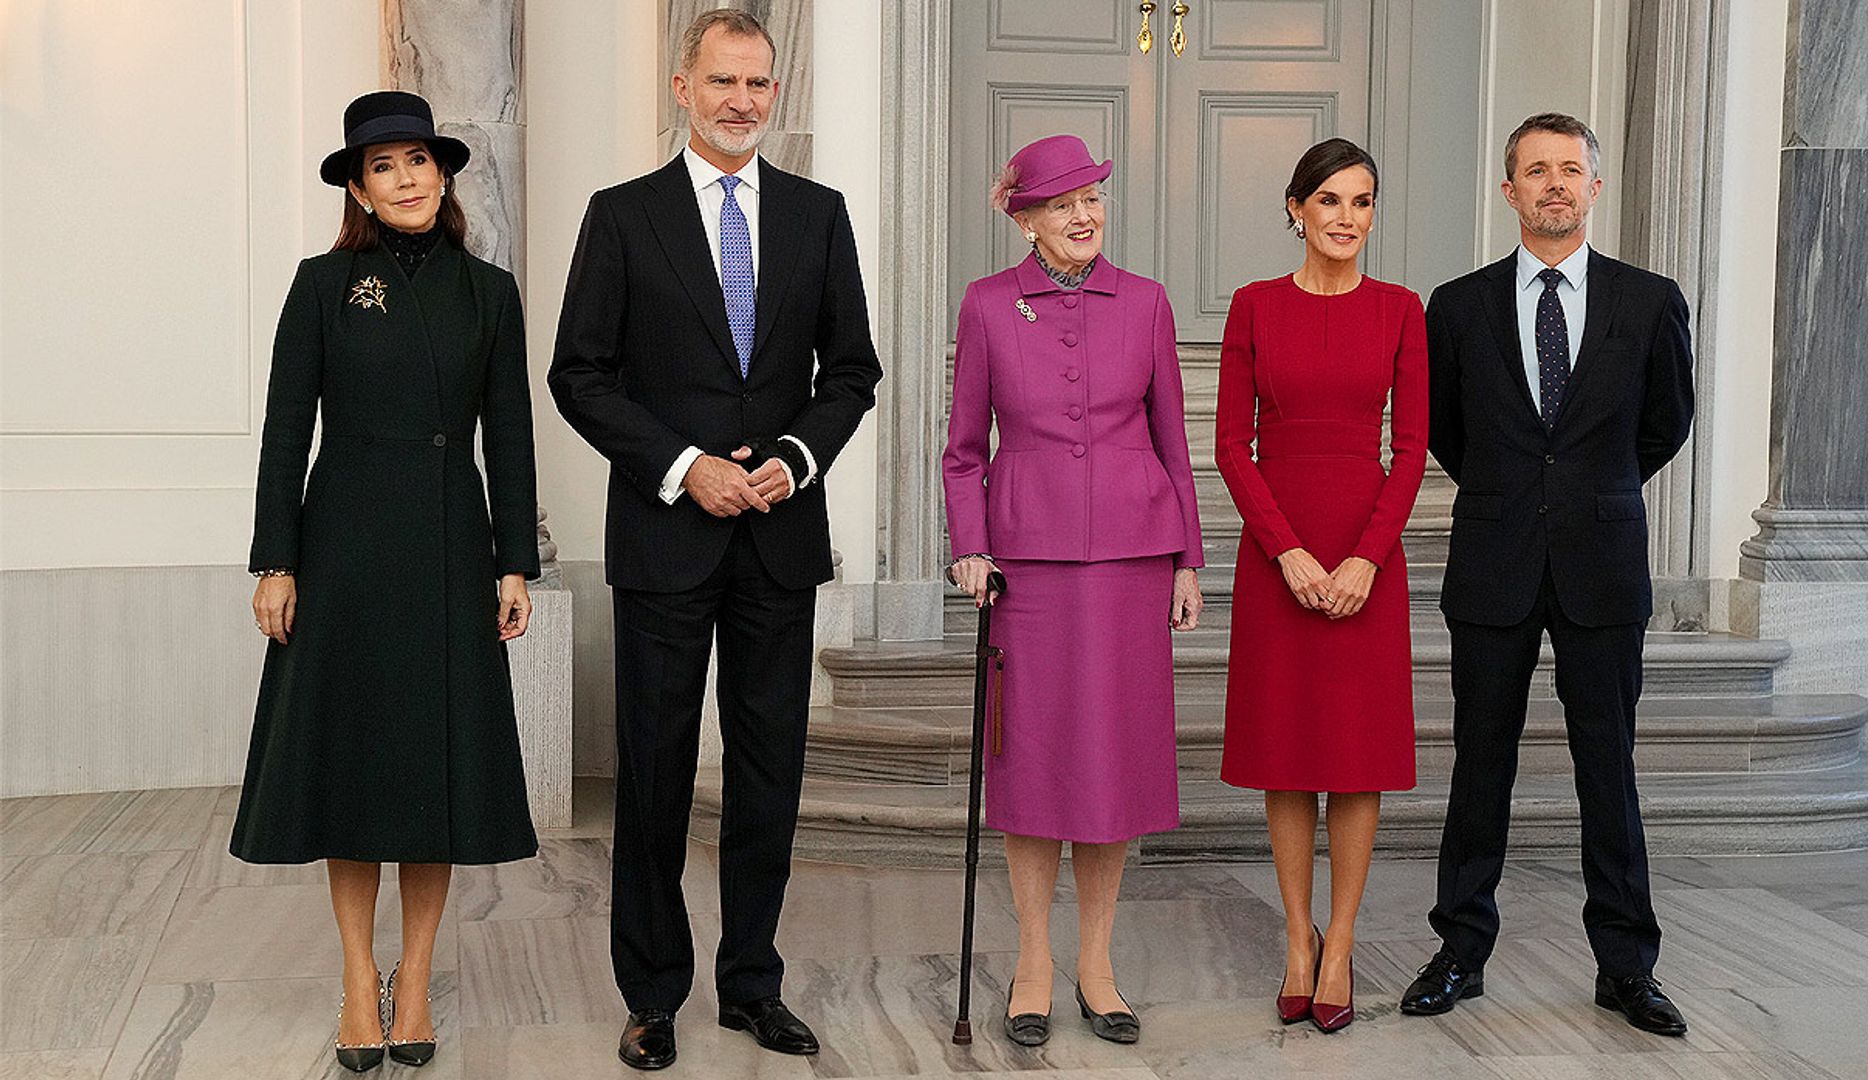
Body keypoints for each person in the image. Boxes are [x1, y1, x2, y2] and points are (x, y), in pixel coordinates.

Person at [547, 9, 883, 1071]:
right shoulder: (622, 216)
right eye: (724, 81)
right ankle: (651, 995)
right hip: (665, 537)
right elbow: (579, 374)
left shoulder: (818, 216)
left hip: (780, 540)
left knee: (770, 770)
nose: (744, 100)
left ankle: (752, 985)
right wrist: (687, 468)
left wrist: (796, 452)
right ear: (681, 89)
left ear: (775, 95)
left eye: (760, 84)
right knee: (652, 772)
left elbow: (853, 372)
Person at [233, 90, 539, 1072]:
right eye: (384, 166)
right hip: (347, 544)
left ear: (441, 173)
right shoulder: (324, 284)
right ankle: (357, 976)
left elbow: (514, 437)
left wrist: (513, 561)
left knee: (433, 768)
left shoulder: (489, 291)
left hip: (452, 539)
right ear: (359, 188)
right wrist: (277, 558)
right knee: (355, 764)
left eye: (419, 161)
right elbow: (287, 429)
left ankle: (414, 979)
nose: (407, 179)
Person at [1401, 112, 1694, 1037]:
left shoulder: (1650, 301)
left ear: (1595, 187)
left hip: (1602, 564)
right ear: (1509, 190)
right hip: (1494, 560)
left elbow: (1666, 423)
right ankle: (1460, 950)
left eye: (1571, 169)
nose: (1554, 183)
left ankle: (1626, 965)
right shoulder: (1456, 304)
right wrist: (1517, 489)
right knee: (1478, 764)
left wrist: (1586, 491)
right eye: (1536, 170)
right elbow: (1445, 430)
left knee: (1607, 767)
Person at [942, 133, 1207, 1048]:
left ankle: (1097, 961)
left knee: (1114, 763)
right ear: (1024, 217)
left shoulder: (1148, 303)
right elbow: (963, 451)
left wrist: (1188, 560)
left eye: (1092, 195)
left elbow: (1174, 440)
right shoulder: (986, 306)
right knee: (1035, 764)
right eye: (1061, 204)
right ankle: (1032, 960)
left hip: (1134, 562)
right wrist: (969, 546)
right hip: (1029, 567)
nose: (1084, 215)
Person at [1213, 138, 1428, 1035]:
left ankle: (1340, 943)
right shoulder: (1254, 306)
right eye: (1330, 200)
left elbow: (1412, 448)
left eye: (1364, 201)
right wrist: (1288, 552)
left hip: (1367, 553)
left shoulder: (1402, 311)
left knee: (1357, 754)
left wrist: (1366, 558)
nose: (1348, 217)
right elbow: (1231, 444)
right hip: (1280, 556)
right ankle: (1296, 937)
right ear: (1297, 207)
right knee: (1290, 752)